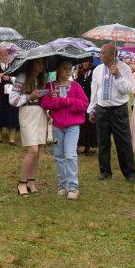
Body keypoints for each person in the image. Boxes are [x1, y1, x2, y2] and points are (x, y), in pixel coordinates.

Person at [87, 43, 135, 182]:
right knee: (103, 142)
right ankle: (105, 171)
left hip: (118, 109)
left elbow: (127, 90)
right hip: (102, 109)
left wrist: (118, 76)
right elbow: (94, 90)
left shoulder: (124, 68)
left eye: (102, 53)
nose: (100, 55)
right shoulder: (98, 70)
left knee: (123, 142)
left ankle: (129, 173)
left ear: (111, 54)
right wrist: (92, 109)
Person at [41, 60, 89, 199]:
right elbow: (45, 103)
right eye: (64, 69)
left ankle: (73, 187)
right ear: (58, 70)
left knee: (70, 154)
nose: (68, 71)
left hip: (72, 127)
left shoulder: (76, 86)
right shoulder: (50, 86)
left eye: (70, 69)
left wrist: (65, 101)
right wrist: (56, 101)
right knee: (58, 155)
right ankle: (62, 185)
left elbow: (83, 104)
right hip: (57, 127)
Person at [9, 58, 50, 195]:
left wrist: (49, 97)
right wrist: (29, 97)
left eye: (42, 63)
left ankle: (31, 181)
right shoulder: (22, 77)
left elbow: (45, 99)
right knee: (32, 149)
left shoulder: (43, 79)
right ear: (31, 63)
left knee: (37, 149)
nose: (41, 65)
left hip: (41, 113)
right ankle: (21, 183)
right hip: (27, 112)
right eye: (38, 62)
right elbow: (12, 99)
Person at [75, 58, 97, 155]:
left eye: (86, 61)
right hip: (81, 103)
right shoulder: (79, 73)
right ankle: (81, 145)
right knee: (81, 125)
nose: (84, 63)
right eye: (82, 61)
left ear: (90, 62)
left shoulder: (94, 72)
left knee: (90, 125)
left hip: (91, 102)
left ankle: (88, 146)